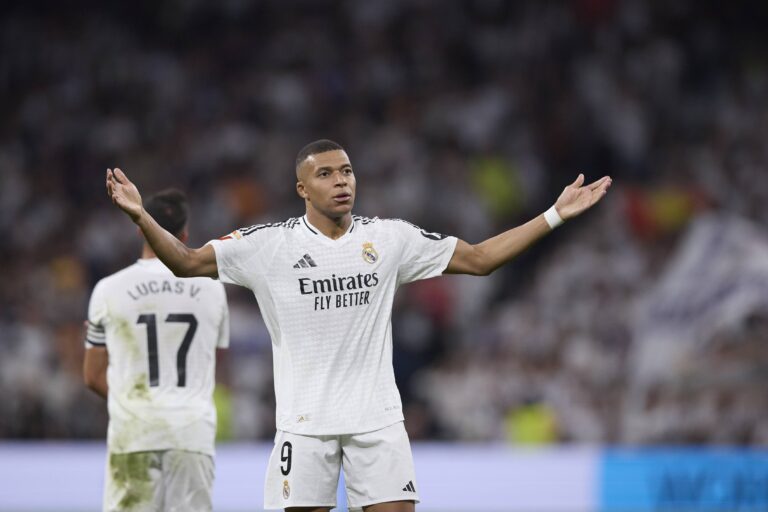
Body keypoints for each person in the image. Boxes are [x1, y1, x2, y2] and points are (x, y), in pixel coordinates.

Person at [105, 139, 611, 512]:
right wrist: (140, 217)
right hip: (304, 427)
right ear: (301, 188)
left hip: (379, 423)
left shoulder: (390, 239)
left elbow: (478, 259)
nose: (341, 180)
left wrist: (554, 216)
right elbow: (190, 263)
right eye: (325, 174)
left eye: (346, 171)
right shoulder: (268, 245)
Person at [83, 189, 230, 512]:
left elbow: (92, 376)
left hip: (134, 433)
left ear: (141, 228)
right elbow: (213, 359)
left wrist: (133, 400)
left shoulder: (108, 289)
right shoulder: (212, 288)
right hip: (192, 434)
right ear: (186, 232)